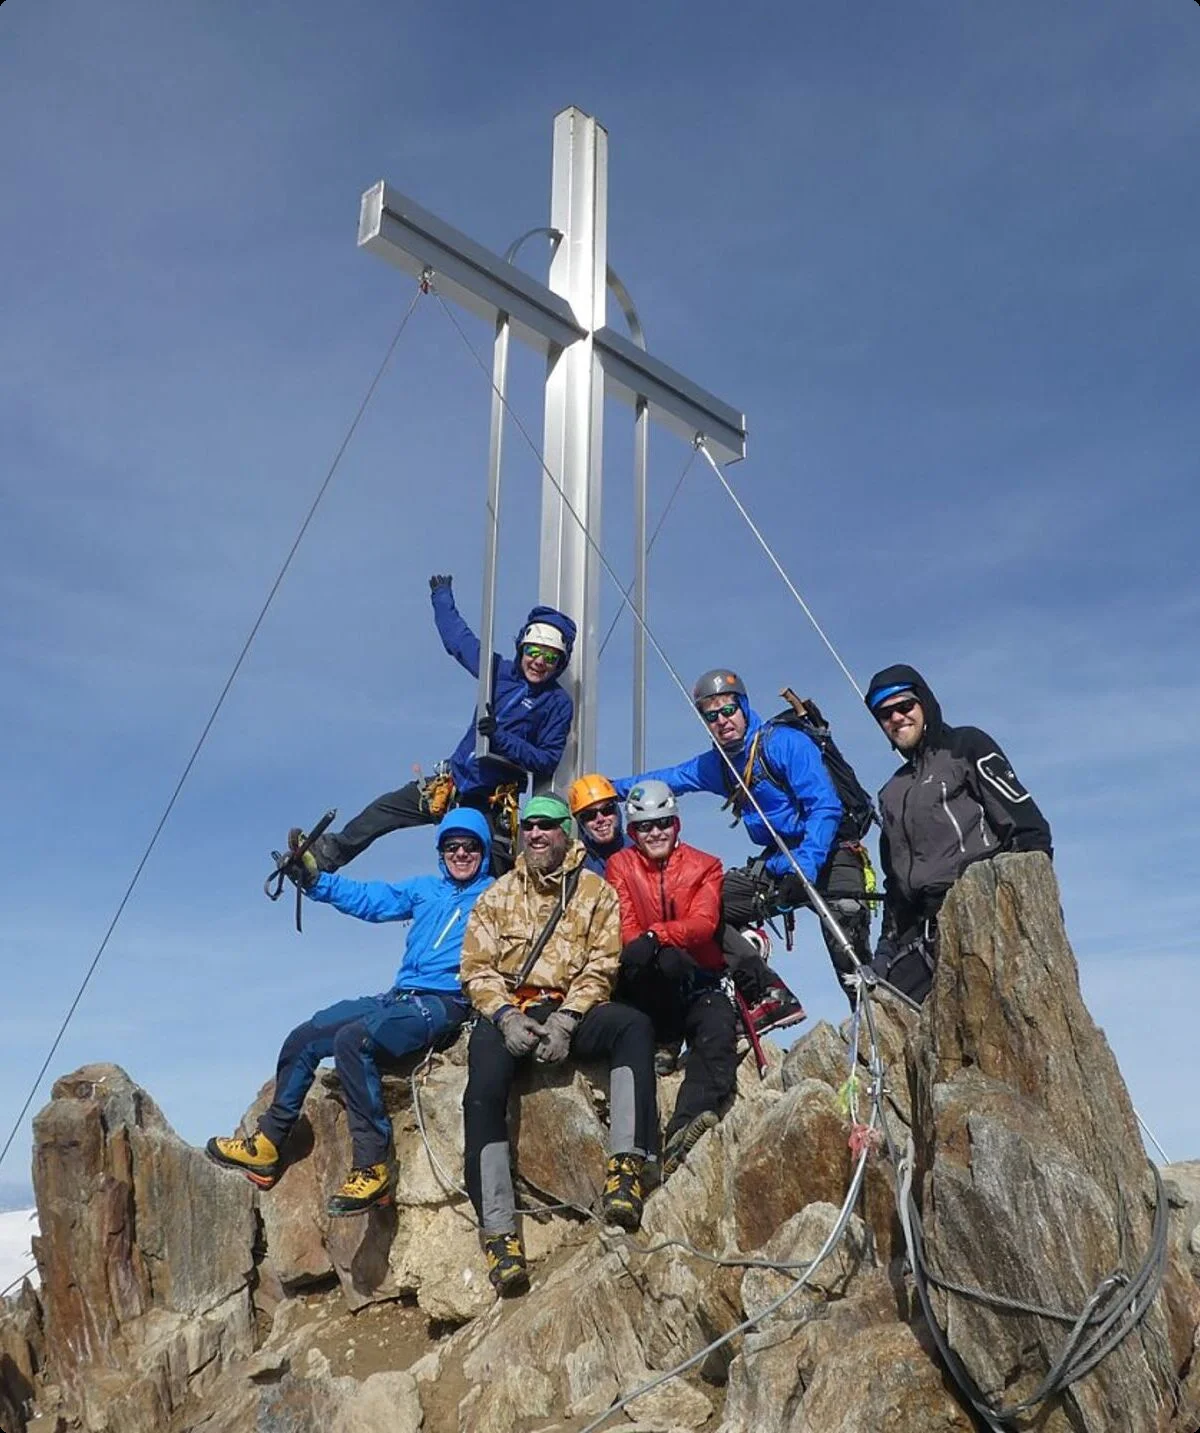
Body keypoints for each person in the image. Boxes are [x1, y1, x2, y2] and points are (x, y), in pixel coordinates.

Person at [207, 810, 494, 1216]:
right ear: (441, 851)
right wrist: (314, 880)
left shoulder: (498, 896)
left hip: (444, 1002)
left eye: (470, 846)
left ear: (483, 851)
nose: (461, 853)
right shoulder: (425, 889)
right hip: (399, 996)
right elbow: (371, 899)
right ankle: (268, 1144)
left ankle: (372, 1167)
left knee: (353, 1041)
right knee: (304, 1037)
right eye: (452, 846)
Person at [459, 793, 658, 1294]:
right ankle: (500, 1233)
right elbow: (476, 969)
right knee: (481, 1090)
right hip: (510, 1012)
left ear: (566, 832)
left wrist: (569, 1019)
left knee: (633, 1027)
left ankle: (626, 1170)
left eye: (547, 825)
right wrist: (504, 1016)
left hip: (568, 1006)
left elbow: (602, 962)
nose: (537, 834)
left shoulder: (595, 890)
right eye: (529, 827)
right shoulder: (497, 895)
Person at [614, 669, 871, 1025]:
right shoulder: (720, 765)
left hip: (829, 852)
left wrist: (806, 864)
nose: (722, 721)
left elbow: (824, 806)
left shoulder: (783, 743)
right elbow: (670, 778)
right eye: (711, 715)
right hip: (778, 863)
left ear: (744, 707)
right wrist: (606, 789)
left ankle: (876, 1027)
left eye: (728, 710)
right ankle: (766, 990)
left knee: (849, 951)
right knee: (707, 904)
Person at [301, 575, 576, 876]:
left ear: (560, 663)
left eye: (550, 657)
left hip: (492, 799)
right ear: (521, 649)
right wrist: (441, 597)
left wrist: (501, 740)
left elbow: (547, 760)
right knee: (385, 810)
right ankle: (325, 856)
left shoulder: (556, 703)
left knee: (495, 872)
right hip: (454, 782)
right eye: (533, 652)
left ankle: (504, 917)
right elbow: (458, 642)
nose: (539, 662)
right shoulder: (497, 673)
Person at [865, 664, 1053, 1003]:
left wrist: (1021, 913)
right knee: (880, 1013)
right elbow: (895, 885)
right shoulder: (891, 792)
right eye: (884, 713)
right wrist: (885, 950)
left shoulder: (966, 746)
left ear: (924, 702)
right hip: (923, 931)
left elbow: (1029, 829)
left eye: (904, 706)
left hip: (977, 909)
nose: (896, 718)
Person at [606, 781, 737, 1179]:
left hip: (695, 978)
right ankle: (663, 1039)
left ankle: (687, 1123)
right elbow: (626, 928)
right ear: (633, 833)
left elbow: (703, 923)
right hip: (649, 980)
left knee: (717, 1024)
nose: (656, 832)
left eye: (663, 823)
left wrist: (656, 934)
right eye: (645, 827)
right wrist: (649, 941)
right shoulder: (621, 866)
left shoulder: (706, 865)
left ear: (676, 824)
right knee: (653, 960)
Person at [567, 773, 630, 875]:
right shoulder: (573, 863)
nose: (600, 819)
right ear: (580, 822)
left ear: (617, 811)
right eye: (589, 815)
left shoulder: (641, 853)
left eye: (607, 810)